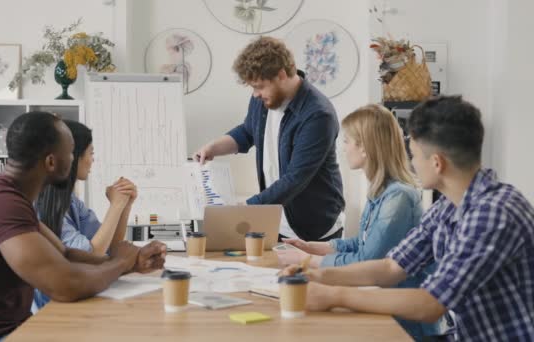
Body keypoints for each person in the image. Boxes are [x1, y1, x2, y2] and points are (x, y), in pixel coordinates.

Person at [281, 96, 534, 341]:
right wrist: (317, 276)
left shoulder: (493, 214)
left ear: (437, 163)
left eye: (413, 154)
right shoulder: (446, 207)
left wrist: (334, 296)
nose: (411, 162)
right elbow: (391, 267)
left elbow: (430, 303)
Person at [0, 112, 167, 341]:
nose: (74, 158)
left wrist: (131, 263)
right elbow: (65, 286)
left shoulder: (10, 197)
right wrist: (120, 262)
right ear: (51, 162)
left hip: (16, 329)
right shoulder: (0, 202)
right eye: (70, 152)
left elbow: (65, 253)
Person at [276, 104, 441, 340]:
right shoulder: (381, 191)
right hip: (381, 306)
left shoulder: (399, 197)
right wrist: (319, 247)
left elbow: (370, 260)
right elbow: (365, 243)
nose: (343, 148)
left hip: (403, 324)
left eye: (346, 141)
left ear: (364, 148)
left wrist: (308, 261)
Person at [193, 36, 345, 241]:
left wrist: (245, 209)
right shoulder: (264, 99)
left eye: (259, 86)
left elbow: (295, 178)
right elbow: (248, 132)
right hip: (277, 219)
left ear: (281, 75)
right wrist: (213, 148)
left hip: (315, 227)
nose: (255, 94)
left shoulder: (317, 115)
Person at [32, 120, 136, 309]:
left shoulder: (72, 202)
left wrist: (124, 205)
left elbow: (110, 246)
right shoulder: (42, 205)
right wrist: (115, 206)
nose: (92, 160)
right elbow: (92, 252)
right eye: (91, 153)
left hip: (76, 296)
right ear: (73, 157)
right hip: (52, 307)